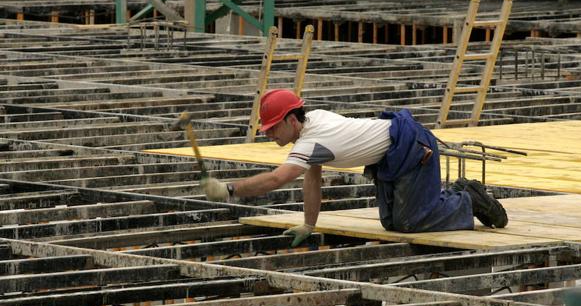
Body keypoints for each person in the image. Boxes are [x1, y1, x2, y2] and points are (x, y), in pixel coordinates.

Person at [200, 89, 508, 247]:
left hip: (412, 148)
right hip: (390, 158)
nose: (268, 134)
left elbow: (278, 178)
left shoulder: (308, 142)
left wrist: (230, 189)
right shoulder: (313, 124)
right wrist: (310, 224)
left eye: (271, 128)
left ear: (291, 121)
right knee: (392, 223)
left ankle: (468, 198)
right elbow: (313, 179)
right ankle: (454, 197)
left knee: (411, 223)